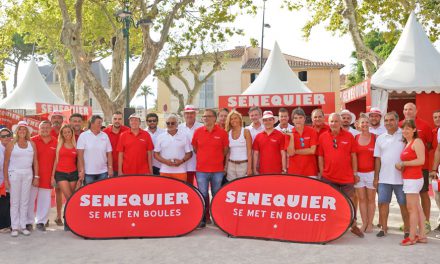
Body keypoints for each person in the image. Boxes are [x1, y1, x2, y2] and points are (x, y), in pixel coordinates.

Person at [317, 113, 364, 238]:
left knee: (350, 202)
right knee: (330, 204)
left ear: (340, 122)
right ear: (329, 122)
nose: (334, 124)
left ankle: (353, 225)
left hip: (347, 177)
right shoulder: (322, 137)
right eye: (331, 121)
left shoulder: (349, 136)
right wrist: (322, 172)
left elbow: (354, 155)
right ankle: (331, 227)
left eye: (336, 121)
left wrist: (355, 173)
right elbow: (320, 156)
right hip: (328, 177)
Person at [374, 111, 409, 238]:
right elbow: (377, 159)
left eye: (391, 120)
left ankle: (407, 230)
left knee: (404, 205)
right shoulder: (380, 138)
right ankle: (383, 228)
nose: (388, 123)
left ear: (397, 120)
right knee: (383, 203)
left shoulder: (404, 135)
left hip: (402, 179)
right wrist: (376, 177)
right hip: (384, 178)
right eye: (386, 120)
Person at [400, 102, 433, 233]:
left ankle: (426, 223)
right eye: (405, 109)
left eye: (410, 109)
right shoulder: (400, 124)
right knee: (411, 200)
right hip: (406, 171)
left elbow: (429, 145)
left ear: (416, 111)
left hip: (421, 168)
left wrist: (415, 157)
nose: (408, 111)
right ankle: (412, 223)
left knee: (424, 194)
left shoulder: (424, 125)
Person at [192, 109, 229, 228]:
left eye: (208, 116)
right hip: (201, 170)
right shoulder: (198, 132)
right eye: (204, 116)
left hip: (217, 170)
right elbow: (195, 148)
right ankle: (202, 219)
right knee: (202, 194)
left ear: (214, 118)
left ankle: (217, 219)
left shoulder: (222, 133)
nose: (206, 118)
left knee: (216, 194)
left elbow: (225, 150)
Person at [3, 121, 38, 237]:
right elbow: (6, 162)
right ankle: (15, 227)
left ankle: (23, 226)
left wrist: (36, 176)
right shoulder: (11, 144)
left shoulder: (32, 144)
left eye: (24, 129)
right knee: (15, 201)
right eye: (20, 129)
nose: (22, 131)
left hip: (28, 174)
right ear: (17, 131)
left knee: (25, 201)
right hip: (14, 174)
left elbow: (35, 161)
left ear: (27, 131)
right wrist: (6, 180)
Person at [395, 120, 427, 245]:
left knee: (411, 208)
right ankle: (422, 236)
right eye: (403, 129)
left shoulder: (417, 142)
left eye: (408, 128)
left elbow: (421, 161)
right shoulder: (408, 143)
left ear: (414, 130)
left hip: (414, 179)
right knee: (417, 208)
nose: (405, 131)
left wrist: (403, 163)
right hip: (410, 178)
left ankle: (412, 237)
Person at [27, 121, 57, 232]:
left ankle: (41, 222)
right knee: (30, 200)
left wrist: (53, 176)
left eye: (47, 127)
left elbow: (56, 161)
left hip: (48, 176)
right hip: (33, 176)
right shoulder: (32, 140)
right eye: (42, 128)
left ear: (51, 128)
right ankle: (28, 222)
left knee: (44, 201)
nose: (45, 129)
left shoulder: (56, 142)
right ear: (39, 129)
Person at [52, 125, 79, 231]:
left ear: (72, 133)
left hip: (73, 174)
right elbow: (55, 161)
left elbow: (79, 161)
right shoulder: (59, 144)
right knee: (69, 198)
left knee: (71, 198)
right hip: (61, 174)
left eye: (69, 132)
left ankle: (70, 221)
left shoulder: (76, 145)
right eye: (65, 132)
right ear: (62, 134)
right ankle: (68, 222)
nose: (67, 134)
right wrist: (52, 176)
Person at [354, 116, 377, 233]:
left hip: (371, 173)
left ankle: (370, 223)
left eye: (367, 122)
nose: (365, 124)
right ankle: (364, 223)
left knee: (371, 199)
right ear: (358, 124)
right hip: (359, 173)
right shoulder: (355, 137)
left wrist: (377, 176)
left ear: (370, 124)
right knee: (362, 199)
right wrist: (354, 173)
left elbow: (378, 158)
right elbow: (353, 157)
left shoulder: (375, 138)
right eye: (363, 122)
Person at [154, 115, 192, 181]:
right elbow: (156, 154)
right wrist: (166, 162)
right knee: (165, 191)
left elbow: (189, 153)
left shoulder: (184, 136)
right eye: (168, 123)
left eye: (173, 123)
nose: (170, 125)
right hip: (165, 171)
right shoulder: (160, 137)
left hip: (180, 171)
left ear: (177, 124)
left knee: (181, 190)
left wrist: (181, 161)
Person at [77, 115, 113, 184]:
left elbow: (109, 153)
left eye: (101, 123)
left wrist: (110, 168)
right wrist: (82, 170)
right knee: (89, 194)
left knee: (103, 194)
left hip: (103, 172)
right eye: (99, 123)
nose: (101, 125)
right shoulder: (83, 136)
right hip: (88, 173)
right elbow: (80, 156)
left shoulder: (105, 135)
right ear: (92, 124)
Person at [286, 108, 318, 177]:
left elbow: (312, 150)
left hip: (310, 171)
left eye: (300, 117)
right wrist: (291, 137)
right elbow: (291, 153)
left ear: (304, 119)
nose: (298, 120)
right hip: (294, 172)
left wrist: (296, 151)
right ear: (292, 120)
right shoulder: (289, 133)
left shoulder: (312, 131)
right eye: (295, 118)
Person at [178, 105, 203, 185]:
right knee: (188, 188)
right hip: (184, 164)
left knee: (202, 188)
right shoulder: (179, 128)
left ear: (195, 114)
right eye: (187, 113)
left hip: (199, 164)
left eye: (191, 113)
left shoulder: (202, 127)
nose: (189, 115)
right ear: (184, 115)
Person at [225, 110, 252, 181]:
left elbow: (249, 151)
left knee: (243, 187)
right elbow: (228, 152)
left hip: (243, 165)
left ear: (240, 119)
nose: (233, 120)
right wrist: (226, 166)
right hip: (231, 165)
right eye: (231, 119)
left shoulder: (246, 131)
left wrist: (249, 168)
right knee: (231, 187)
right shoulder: (228, 133)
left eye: (235, 118)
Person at [49, 111, 64, 226]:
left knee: (58, 191)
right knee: (43, 193)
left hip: (60, 167)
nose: (57, 120)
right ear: (51, 120)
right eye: (54, 118)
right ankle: (43, 218)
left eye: (59, 118)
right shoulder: (47, 131)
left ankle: (59, 216)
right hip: (47, 166)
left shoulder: (65, 133)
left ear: (62, 121)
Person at [103, 111, 129, 176]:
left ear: (122, 120)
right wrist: (109, 167)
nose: (117, 121)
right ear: (112, 120)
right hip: (109, 168)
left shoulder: (128, 131)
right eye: (115, 119)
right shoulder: (105, 133)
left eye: (119, 119)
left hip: (125, 167)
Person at [0, 128, 13, 231]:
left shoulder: (14, 146)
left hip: (12, 179)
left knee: (9, 203)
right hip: (1, 181)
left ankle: (9, 224)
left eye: (7, 135)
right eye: (3, 136)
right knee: (3, 203)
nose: (6, 138)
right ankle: (3, 225)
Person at [429, 110, 440, 232]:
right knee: (438, 197)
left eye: (439, 117)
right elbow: (437, 150)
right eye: (435, 117)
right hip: (438, 169)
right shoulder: (435, 132)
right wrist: (434, 169)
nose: (437, 119)